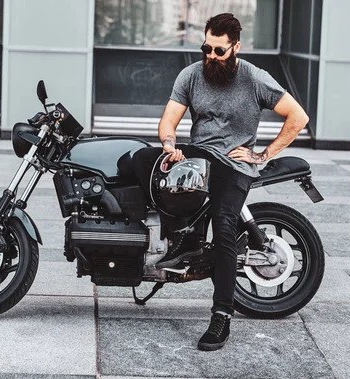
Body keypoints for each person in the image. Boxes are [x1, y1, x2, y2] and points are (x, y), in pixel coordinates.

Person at [132, 13, 309, 351]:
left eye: (219, 51)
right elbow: (168, 121)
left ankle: (222, 315)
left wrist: (263, 155)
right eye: (206, 49)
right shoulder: (192, 75)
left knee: (225, 225)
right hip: (197, 156)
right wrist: (170, 147)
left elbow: (298, 116)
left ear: (235, 47)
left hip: (233, 165)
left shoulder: (255, 78)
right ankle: (180, 237)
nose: (210, 56)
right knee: (140, 158)